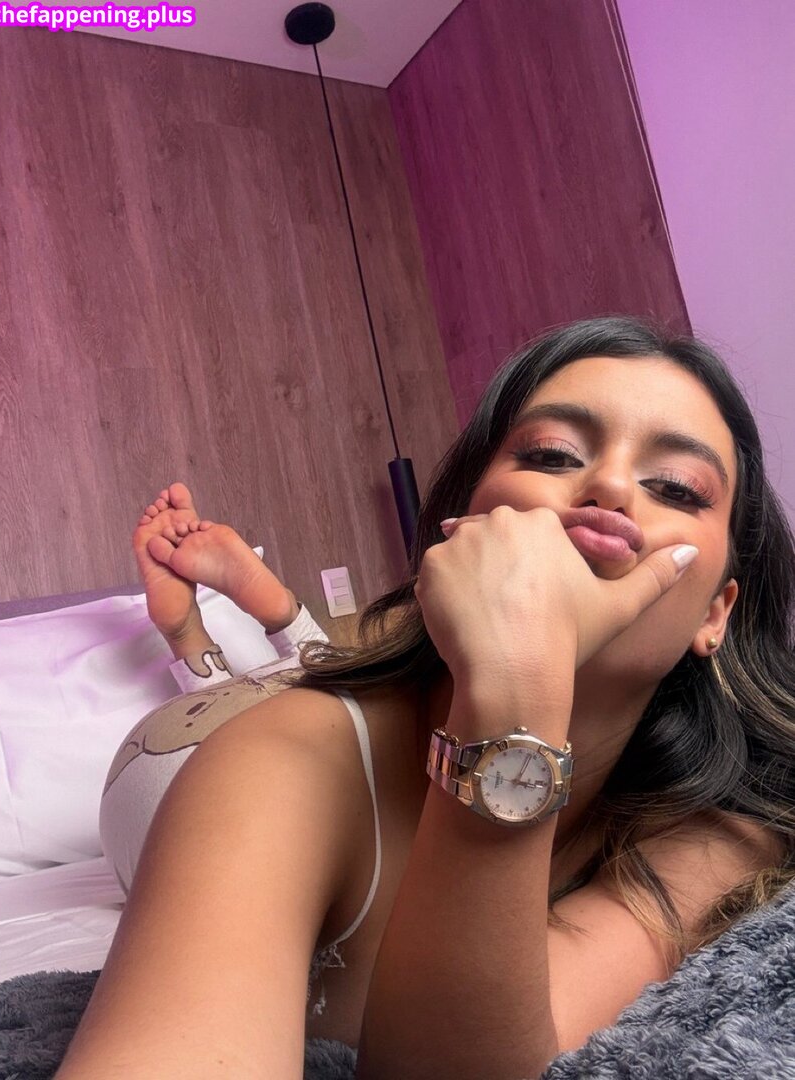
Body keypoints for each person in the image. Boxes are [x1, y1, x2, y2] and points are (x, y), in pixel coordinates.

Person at [54, 316, 795, 1080]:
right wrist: (512, 696)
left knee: (333, 663)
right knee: (287, 693)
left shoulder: (725, 824)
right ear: (462, 527)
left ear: (717, 613)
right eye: (551, 454)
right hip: (171, 754)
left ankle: (276, 613)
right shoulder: (274, 763)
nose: (609, 485)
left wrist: (517, 697)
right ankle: (193, 635)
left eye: (675, 487)